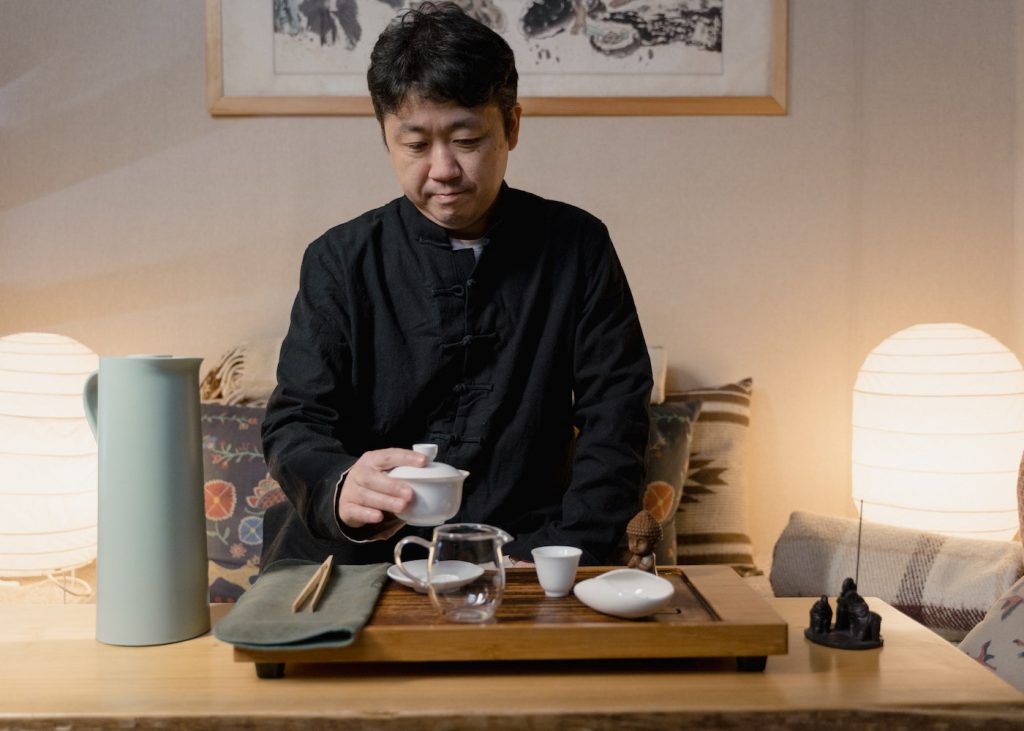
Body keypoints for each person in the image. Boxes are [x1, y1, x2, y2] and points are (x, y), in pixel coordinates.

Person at [259, 2, 652, 570]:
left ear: (511, 126)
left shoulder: (577, 246)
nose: (442, 168)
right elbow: (297, 419)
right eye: (416, 145)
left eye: (466, 139)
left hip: (527, 548)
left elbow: (616, 416)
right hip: (362, 553)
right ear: (386, 137)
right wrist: (342, 486)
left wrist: (572, 551)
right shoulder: (339, 260)